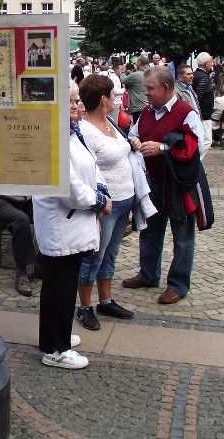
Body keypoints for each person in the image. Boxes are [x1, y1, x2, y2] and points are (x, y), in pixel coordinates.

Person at [33, 81, 110, 369]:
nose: (78, 106)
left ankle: (53, 337)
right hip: (62, 224)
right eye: (72, 101)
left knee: (57, 285)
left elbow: (92, 167)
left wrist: (101, 192)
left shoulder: (71, 133)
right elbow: (70, 190)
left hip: (69, 223)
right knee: (61, 287)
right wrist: (100, 202)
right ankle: (58, 350)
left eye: (77, 100)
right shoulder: (54, 137)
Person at [122, 66, 213, 305]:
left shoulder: (186, 113)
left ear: (165, 88)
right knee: (150, 232)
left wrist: (163, 148)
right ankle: (148, 274)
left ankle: (178, 284)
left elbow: (197, 149)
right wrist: (134, 139)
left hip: (179, 186)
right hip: (153, 183)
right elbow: (135, 132)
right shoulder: (147, 112)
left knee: (182, 237)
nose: (147, 93)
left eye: (150, 89)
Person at [75, 74, 135, 330]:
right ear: (103, 99)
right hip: (106, 204)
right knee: (93, 257)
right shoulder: (86, 130)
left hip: (125, 199)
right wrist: (97, 206)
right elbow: (87, 169)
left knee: (110, 254)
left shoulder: (109, 121)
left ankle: (106, 300)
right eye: (112, 94)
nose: (116, 98)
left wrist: (132, 143)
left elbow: (118, 150)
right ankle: (85, 306)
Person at [0, 195, 37, 296]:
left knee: (49, 213)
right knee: (21, 220)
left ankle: (42, 264)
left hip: (25, 198)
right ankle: (22, 273)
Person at [192, 52, 215, 154]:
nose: (212, 63)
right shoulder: (203, 77)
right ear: (206, 64)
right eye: (211, 61)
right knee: (207, 140)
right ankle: (196, 163)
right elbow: (198, 96)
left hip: (201, 112)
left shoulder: (196, 74)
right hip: (203, 113)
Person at [123, 54, 150, 124]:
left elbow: (123, 79)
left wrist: (123, 71)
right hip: (149, 105)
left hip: (138, 108)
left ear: (139, 62)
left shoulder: (136, 75)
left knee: (138, 128)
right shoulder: (150, 73)